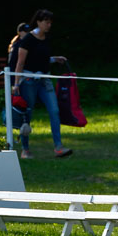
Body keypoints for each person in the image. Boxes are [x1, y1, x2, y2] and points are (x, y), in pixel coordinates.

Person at [13, 9, 72, 159]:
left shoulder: (46, 38)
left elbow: (41, 58)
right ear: (38, 21)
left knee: (54, 110)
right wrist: (16, 84)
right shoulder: (28, 39)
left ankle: (58, 147)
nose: (49, 24)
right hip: (28, 81)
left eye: (50, 22)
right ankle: (25, 150)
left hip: (44, 80)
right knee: (28, 114)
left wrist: (54, 59)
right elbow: (21, 62)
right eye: (46, 21)